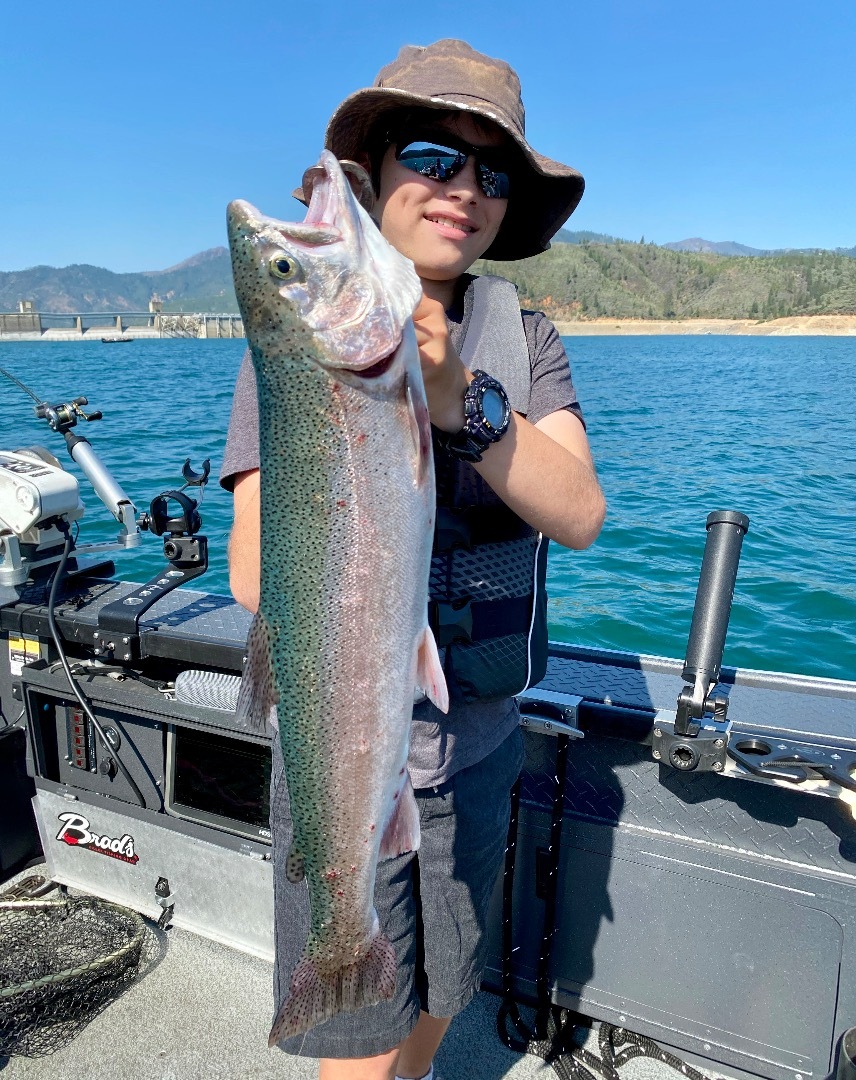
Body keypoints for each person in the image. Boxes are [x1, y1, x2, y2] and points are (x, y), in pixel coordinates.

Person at [220, 38, 605, 1080]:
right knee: (356, 1033)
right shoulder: (303, 342)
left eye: (490, 172)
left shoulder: (524, 338)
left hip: (475, 748)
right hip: (346, 753)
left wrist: (461, 403)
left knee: (449, 980)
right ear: (379, 171)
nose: (461, 189)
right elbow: (256, 580)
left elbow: (579, 514)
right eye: (434, 155)